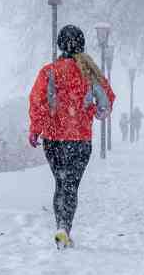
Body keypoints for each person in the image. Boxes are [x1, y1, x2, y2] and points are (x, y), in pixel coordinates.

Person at [28, 25, 115, 249]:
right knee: (71, 185)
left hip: (53, 139)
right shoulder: (90, 72)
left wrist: (36, 128)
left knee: (60, 182)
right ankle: (64, 228)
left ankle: (61, 226)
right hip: (80, 139)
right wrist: (93, 112)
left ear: (60, 45)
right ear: (82, 45)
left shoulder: (49, 72)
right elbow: (106, 102)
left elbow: (37, 101)